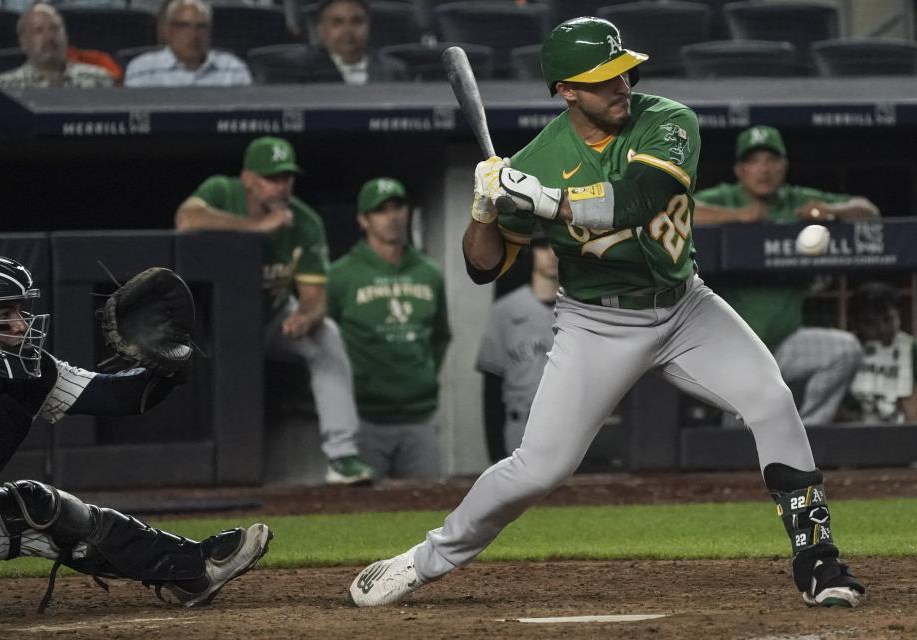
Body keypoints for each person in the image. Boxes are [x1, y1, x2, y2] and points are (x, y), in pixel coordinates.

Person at [348, 17, 864, 609]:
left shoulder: (668, 120)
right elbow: (482, 267)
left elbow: (640, 198)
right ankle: (423, 559)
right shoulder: (539, 159)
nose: (621, 86)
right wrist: (486, 209)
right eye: (602, 79)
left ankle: (820, 562)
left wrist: (544, 199)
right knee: (539, 469)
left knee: (772, 400)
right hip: (596, 324)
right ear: (566, 90)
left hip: (685, 306)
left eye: (624, 72)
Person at [0, 255, 271, 611]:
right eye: (3, 314)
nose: (21, 325)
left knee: (35, 508)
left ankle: (195, 569)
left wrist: (168, 363)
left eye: (20, 312)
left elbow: (119, 396)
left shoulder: (33, 376)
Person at [175, 136, 374, 485]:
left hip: (272, 317)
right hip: (212, 324)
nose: (282, 186)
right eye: (272, 177)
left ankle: (342, 457)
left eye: (287, 177)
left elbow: (314, 295)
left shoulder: (305, 221)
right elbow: (186, 219)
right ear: (248, 178)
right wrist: (255, 228)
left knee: (327, 334)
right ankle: (209, 468)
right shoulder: (222, 190)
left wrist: (307, 316)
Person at [694, 126, 878, 426]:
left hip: (788, 342)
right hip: (732, 350)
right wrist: (737, 217)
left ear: (784, 167)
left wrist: (830, 209)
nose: (763, 170)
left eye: (771, 160)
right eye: (754, 161)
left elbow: (868, 210)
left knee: (845, 351)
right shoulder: (726, 197)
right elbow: (678, 209)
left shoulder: (795, 200)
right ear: (740, 170)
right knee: (737, 438)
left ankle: (807, 432)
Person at [326, 178, 451, 479]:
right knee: (356, 513)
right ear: (363, 220)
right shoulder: (340, 275)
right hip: (362, 419)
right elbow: (325, 343)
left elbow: (441, 336)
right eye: (381, 211)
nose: (392, 217)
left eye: (398, 207)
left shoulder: (429, 273)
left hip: (419, 418)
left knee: (430, 509)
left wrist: (421, 380)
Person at [476, 232, 558, 462]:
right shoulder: (505, 310)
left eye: (557, 245)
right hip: (520, 423)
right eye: (543, 247)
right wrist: (496, 452)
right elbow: (492, 386)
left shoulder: (580, 309)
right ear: (530, 252)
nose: (551, 254)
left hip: (567, 426)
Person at [843, 281, 917, 423]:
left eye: (888, 319)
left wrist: (902, 383)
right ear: (855, 324)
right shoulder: (843, 353)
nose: (882, 329)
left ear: (899, 315)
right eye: (870, 323)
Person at [124, 0, 252, 87]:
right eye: (183, 26)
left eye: (201, 27)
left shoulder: (233, 68)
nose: (193, 34)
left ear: (210, 31)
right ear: (167, 30)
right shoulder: (142, 69)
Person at [0, 3, 114, 89]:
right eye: (39, 30)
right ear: (23, 43)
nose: (49, 37)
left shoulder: (99, 79)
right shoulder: (8, 85)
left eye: (55, 29)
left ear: (66, 36)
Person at [290, 0, 408, 84]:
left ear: (369, 26)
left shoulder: (394, 70)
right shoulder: (300, 71)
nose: (348, 31)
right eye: (337, 22)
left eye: (356, 21)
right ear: (321, 30)